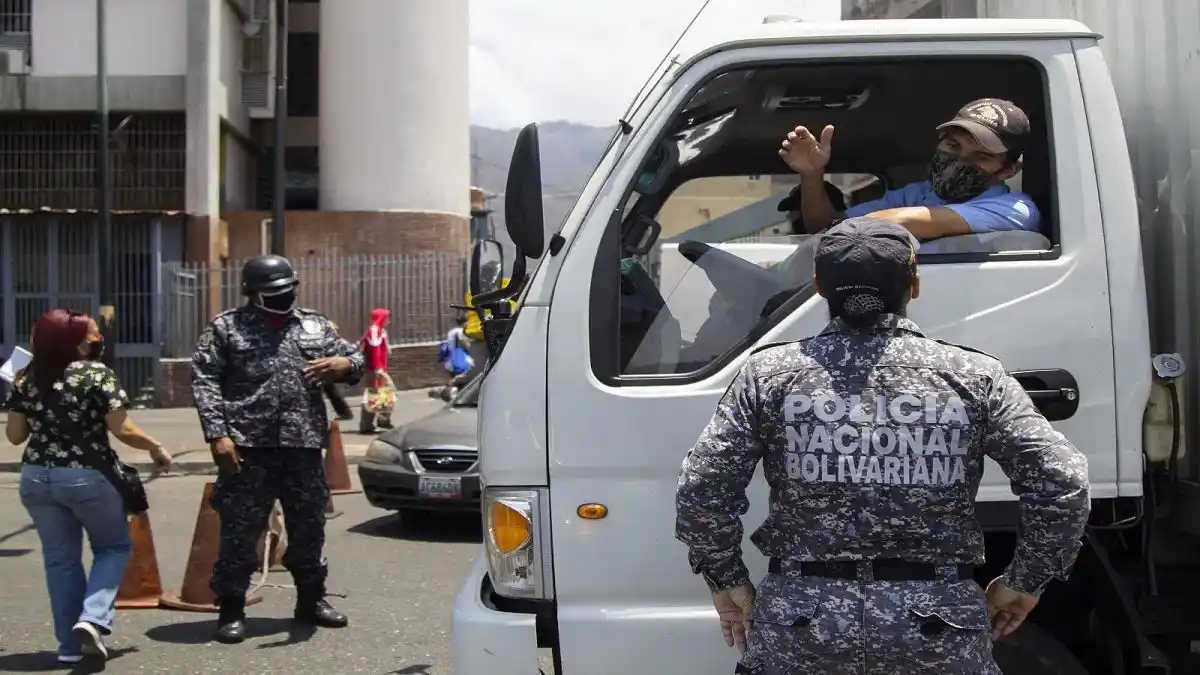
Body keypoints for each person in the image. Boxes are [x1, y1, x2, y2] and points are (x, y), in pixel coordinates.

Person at [675, 216, 1091, 674]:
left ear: (817, 285)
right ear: (914, 285)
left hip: (801, 624)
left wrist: (727, 579)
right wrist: (1024, 581)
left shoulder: (769, 375)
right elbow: (1062, 483)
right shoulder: (975, 377)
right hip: (937, 624)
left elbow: (702, 488)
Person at [191, 254, 365, 644]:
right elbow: (204, 380)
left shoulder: (315, 324)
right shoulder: (227, 328)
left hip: (303, 444)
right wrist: (217, 434)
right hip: (247, 447)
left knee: (309, 528)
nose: (283, 297)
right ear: (251, 292)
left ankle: (311, 601)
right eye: (273, 292)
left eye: (288, 290)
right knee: (240, 530)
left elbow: (357, 359)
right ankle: (231, 606)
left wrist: (343, 363)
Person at [4, 309, 171, 664]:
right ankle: (93, 619)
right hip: (85, 477)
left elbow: (15, 436)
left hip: (36, 478)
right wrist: (156, 447)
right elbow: (123, 429)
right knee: (113, 547)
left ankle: (68, 648)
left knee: (60, 562)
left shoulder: (26, 376)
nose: (97, 340)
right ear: (75, 342)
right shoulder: (97, 374)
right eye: (92, 335)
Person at [780, 98, 1040, 243]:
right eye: (953, 145)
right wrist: (812, 175)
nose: (961, 159)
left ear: (1008, 170)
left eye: (981, 155)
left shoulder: (1014, 209)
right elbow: (825, 226)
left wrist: (833, 231)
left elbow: (908, 221)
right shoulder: (916, 194)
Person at [358, 308, 395, 433]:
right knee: (378, 394)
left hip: (378, 369)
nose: (388, 321)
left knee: (378, 395)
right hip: (376, 369)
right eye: (387, 318)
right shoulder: (374, 331)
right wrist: (378, 368)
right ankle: (377, 421)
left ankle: (373, 423)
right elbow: (375, 350)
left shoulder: (380, 331)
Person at [437, 315, 474, 398]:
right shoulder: (461, 332)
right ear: (465, 322)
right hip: (461, 359)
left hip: (450, 359)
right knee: (466, 378)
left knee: (455, 378)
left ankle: (450, 394)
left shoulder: (451, 331)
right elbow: (466, 345)